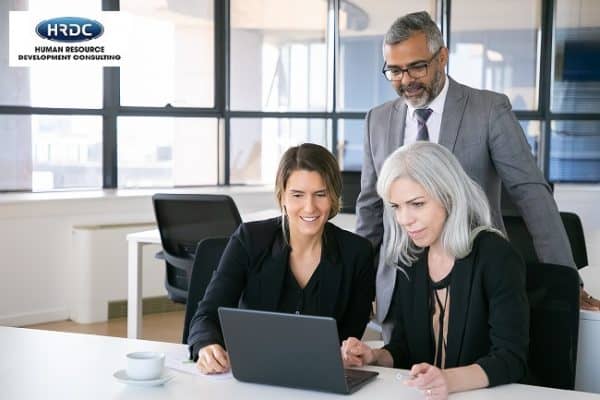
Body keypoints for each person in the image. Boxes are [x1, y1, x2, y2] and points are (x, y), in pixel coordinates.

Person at [355, 11, 598, 341]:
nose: (406, 79)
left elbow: (531, 193)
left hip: (471, 277)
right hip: (400, 282)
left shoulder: (488, 110)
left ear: (442, 57)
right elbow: (370, 208)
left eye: (417, 67)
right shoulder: (377, 120)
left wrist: (567, 280)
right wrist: (357, 282)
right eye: (394, 71)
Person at [343, 142, 529, 400]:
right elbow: (405, 348)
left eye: (417, 204)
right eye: (396, 207)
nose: (404, 219)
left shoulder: (496, 255)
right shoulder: (411, 258)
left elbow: (511, 358)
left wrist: (448, 379)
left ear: (448, 195)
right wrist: (375, 356)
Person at [187, 143, 375, 374]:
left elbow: (348, 338)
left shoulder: (357, 253)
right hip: (250, 373)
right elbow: (205, 315)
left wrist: (348, 352)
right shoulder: (250, 240)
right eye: (297, 195)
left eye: (320, 194)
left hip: (319, 377)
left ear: (333, 196)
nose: (309, 207)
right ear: (282, 196)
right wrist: (206, 345)